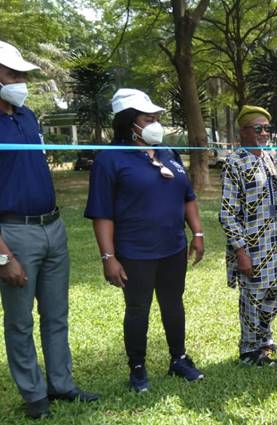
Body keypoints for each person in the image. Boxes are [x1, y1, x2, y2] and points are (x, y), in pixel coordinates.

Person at [0, 40, 98, 420]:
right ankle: (34, 395)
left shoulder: (27, 117)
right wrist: (3, 256)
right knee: (20, 321)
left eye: (22, 75)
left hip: (53, 227)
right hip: (14, 233)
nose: (20, 82)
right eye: (12, 74)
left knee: (56, 315)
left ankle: (61, 384)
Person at [85, 89, 205, 392]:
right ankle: (137, 368)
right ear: (129, 122)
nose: (155, 124)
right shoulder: (109, 160)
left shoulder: (168, 153)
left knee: (173, 303)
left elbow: (188, 197)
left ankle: (179, 359)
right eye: (148, 118)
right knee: (138, 309)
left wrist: (197, 233)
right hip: (135, 251)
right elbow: (102, 213)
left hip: (173, 247)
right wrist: (108, 257)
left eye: (156, 118)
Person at [219, 105, 277, 366]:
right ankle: (249, 350)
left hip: (274, 242)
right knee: (253, 298)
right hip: (252, 246)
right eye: (258, 128)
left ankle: (264, 340)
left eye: (267, 128)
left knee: (274, 294)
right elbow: (227, 213)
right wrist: (241, 252)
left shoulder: (269, 158)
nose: (264, 133)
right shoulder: (234, 162)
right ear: (243, 132)